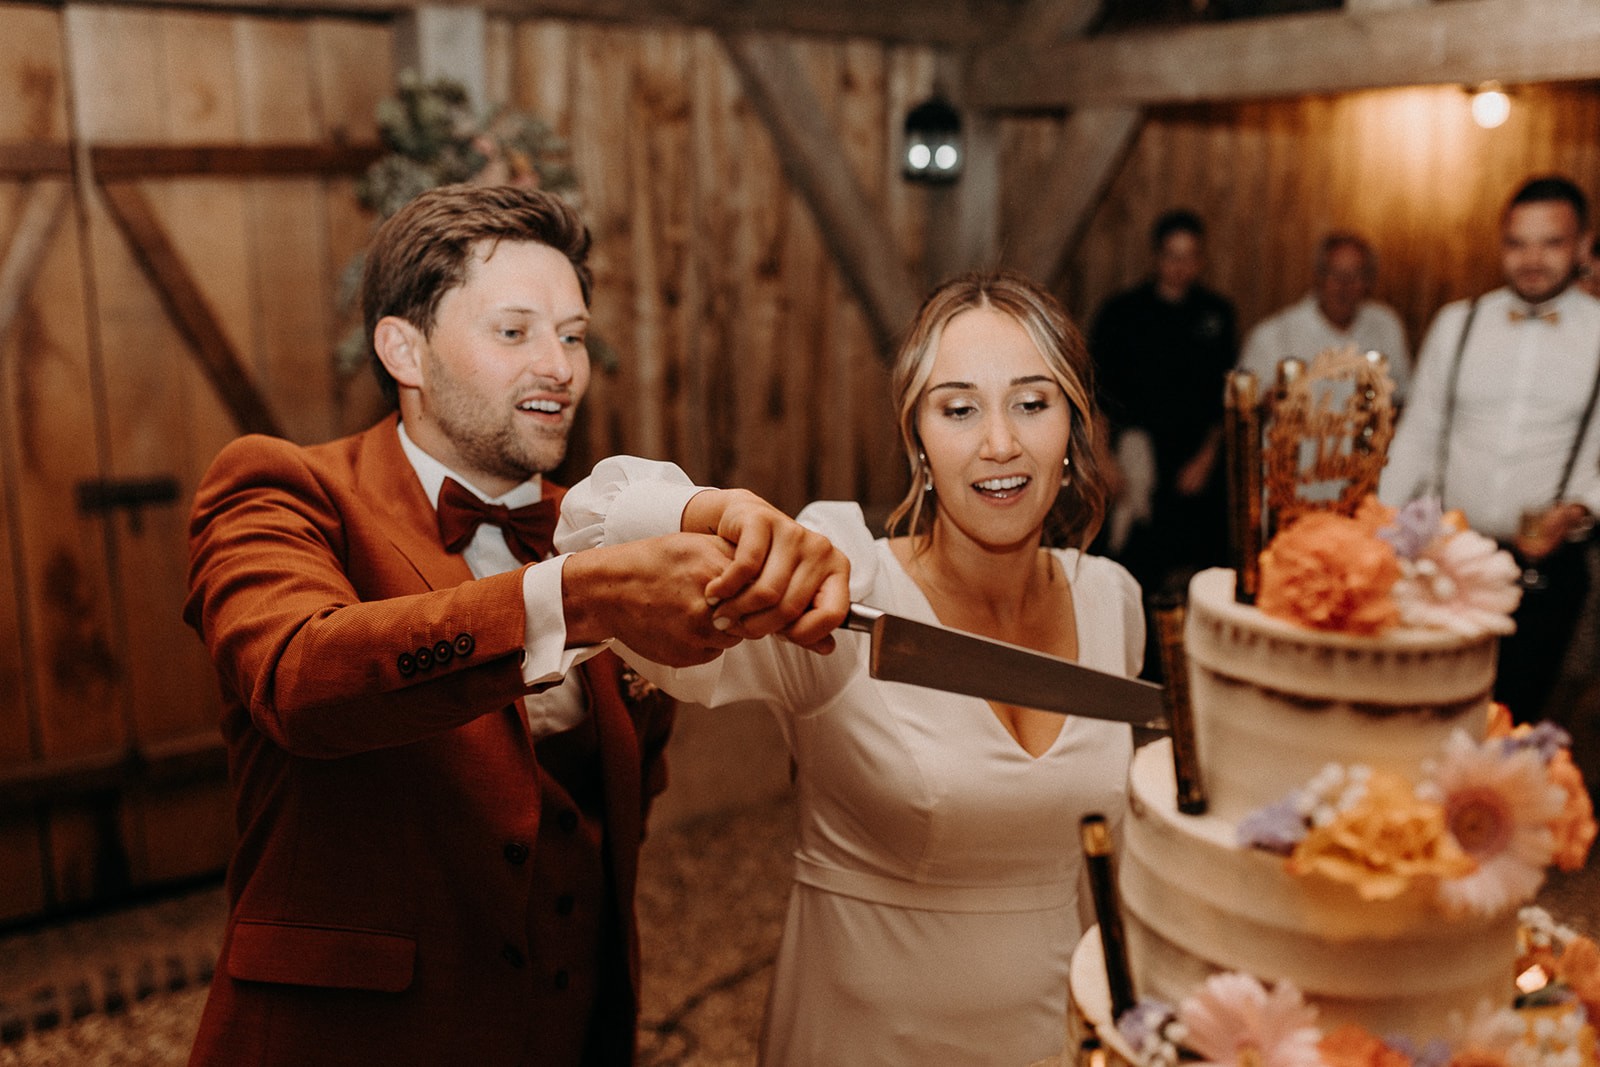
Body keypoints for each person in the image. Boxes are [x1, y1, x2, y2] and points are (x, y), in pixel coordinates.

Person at [182, 184, 848, 1066]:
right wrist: (574, 598)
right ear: (404, 349)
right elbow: (301, 678)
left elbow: (623, 795)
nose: (561, 366)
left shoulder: (599, 526)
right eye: (514, 331)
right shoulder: (282, 489)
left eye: (572, 335)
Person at [559, 271, 1143, 1066]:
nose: (1000, 442)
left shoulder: (1112, 600)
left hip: (1053, 1036)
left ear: (1073, 428)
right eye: (959, 407)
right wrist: (723, 515)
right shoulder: (842, 595)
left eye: (1033, 403)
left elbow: (1105, 867)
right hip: (864, 1037)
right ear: (918, 440)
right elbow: (588, 532)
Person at [1380, 175, 1600, 724]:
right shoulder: (1459, 322)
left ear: (1581, 245)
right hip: (1446, 557)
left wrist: (1581, 509)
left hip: (1546, 570)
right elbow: (1419, 432)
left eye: (1551, 243)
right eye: (1517, 243)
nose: (1532, 259)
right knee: (1424, 710)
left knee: (1512, 721)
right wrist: (1377, 527)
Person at [1237, 232, 1412, 400]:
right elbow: (1247, 405)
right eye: (1335, 274)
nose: (1344, 285)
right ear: (1318, 277)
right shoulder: (1273, 335)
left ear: (1369, 281)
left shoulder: (1386, 325)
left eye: (1355, 275)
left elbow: (1403, 397)